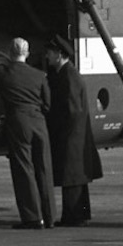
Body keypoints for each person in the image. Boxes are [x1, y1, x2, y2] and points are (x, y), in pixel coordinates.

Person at [0, 37, 56, 229]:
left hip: (18, 122)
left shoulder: (3, 73)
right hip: (39, 122)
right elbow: (47, 103)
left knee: (24, 169)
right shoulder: (39, 75)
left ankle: (32, 218)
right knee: (44, 168)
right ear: (27, 54)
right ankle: (50, 216)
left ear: (11, 53)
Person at [44, 36, 103, 225]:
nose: (47, 56)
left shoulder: (69, 76)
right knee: (76, 177)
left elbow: (72, 110)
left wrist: (59, 129)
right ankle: (79, 214)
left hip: (71, 135)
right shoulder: (65, 73)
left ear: (59, 54)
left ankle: (73, 216)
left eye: (50, 53)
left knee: (72, 177)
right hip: (73, 135)